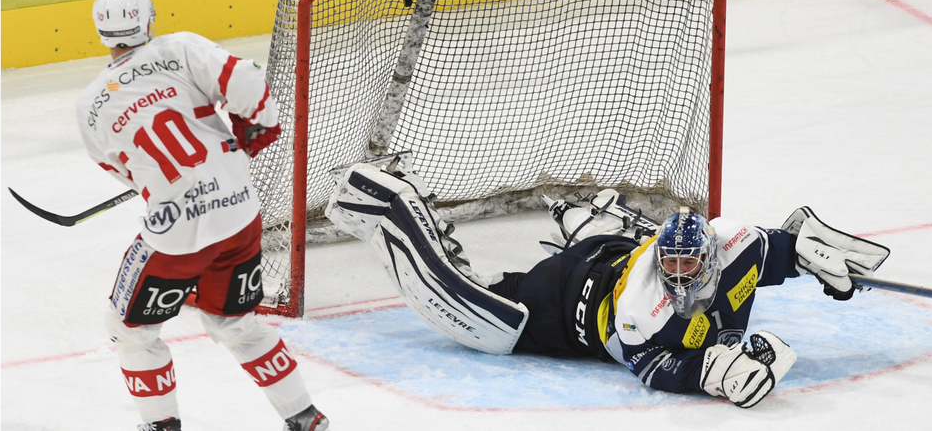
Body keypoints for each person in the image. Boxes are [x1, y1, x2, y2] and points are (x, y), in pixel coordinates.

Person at [325, 158, 891, 408]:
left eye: (687, 267)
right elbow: (654, 369)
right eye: (670, 267)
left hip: (610, 252)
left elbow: (778, 245)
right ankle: (387, 199)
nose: (677, 277)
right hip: (549, 307)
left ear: (710, 260)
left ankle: (598, 222)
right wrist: (708, 376)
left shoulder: (732, 247)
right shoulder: (641, 313)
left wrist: (811, 256)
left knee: (623, 244)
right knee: (465, 310)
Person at [76, 0, 330, 431]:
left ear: (100, 32)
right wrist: (257, 125)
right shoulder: (180, 48)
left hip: (177, 233)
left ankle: (161, 425)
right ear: (149, 19)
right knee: (237, 324)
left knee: (130, 330)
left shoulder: (89, 106)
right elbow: (247, 79)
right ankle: (304, 417)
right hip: (239, 214)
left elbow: (127, 174)